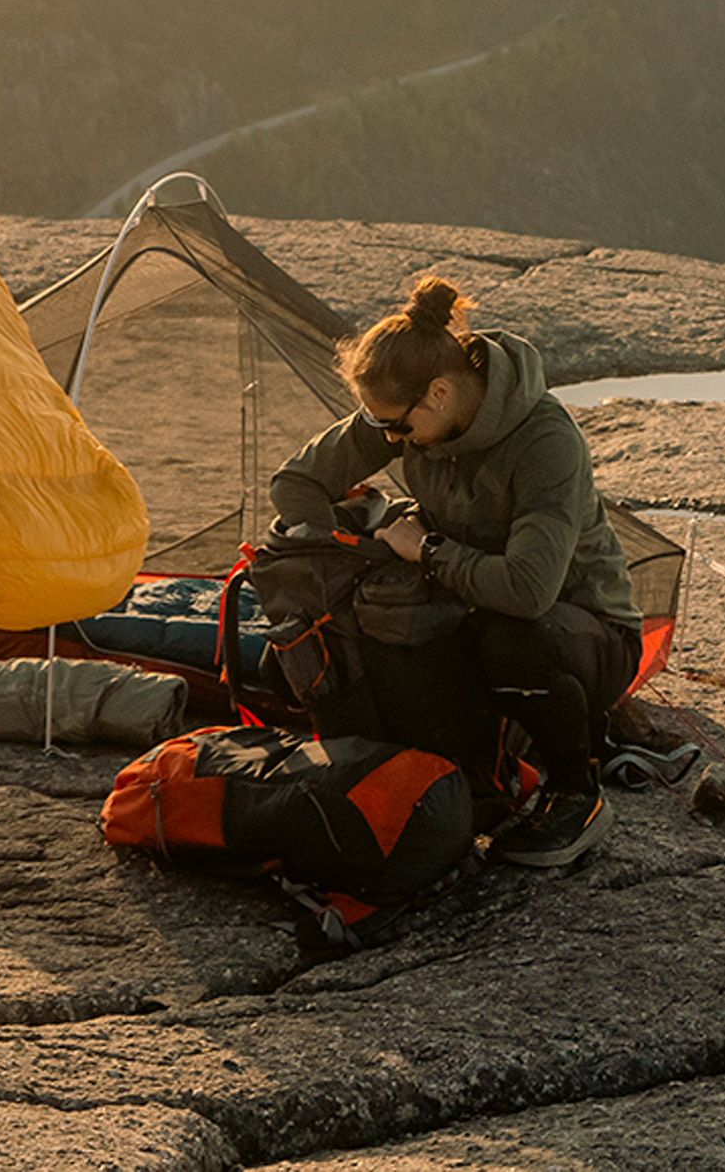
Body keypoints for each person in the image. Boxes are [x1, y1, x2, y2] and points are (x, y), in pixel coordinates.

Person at [269, 276, 640, 868]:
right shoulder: (409, 409)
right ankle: (475, 783)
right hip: (473, 604)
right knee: (387, 625)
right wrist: (333, 547)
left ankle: (577, 793)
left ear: (439, 393)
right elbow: (296, 481)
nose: (390, 438)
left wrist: (429, 553)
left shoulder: (545, 442)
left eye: (396, 427)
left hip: (580, 632)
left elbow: (528, 589)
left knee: (511, 645)